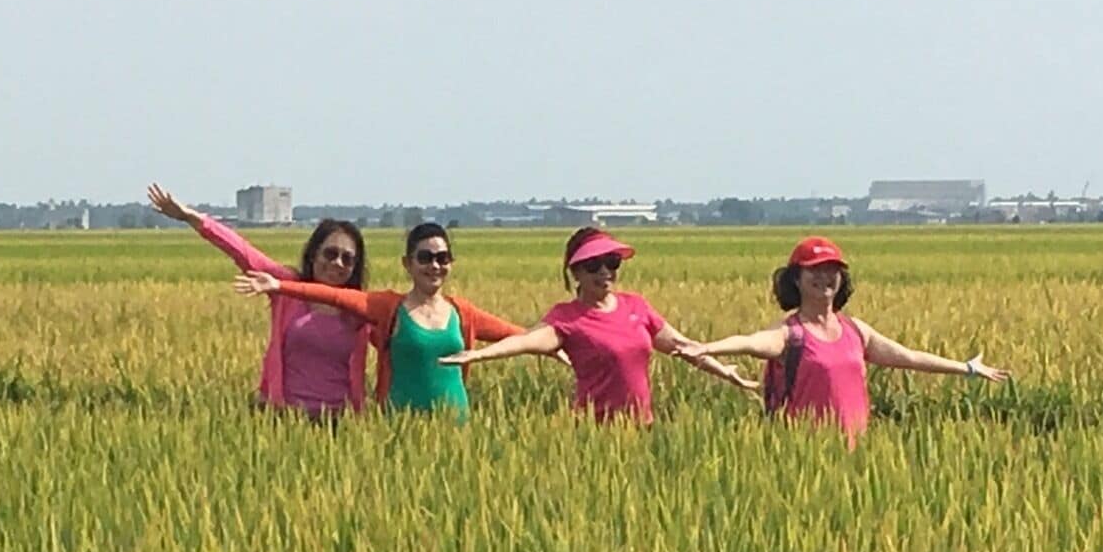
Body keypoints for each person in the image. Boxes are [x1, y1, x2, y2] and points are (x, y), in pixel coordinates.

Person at [669, 235, 1009, 439]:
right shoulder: (790, 334)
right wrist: (708, 348)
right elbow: (752, 341)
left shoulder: (855, 331)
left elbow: (908, 357)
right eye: (814, 270)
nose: (824, 277)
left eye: (832, 270)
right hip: (801, 455)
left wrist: (966, 368)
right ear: (796, 280)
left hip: (854, 450)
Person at [437, 227, 757, 421]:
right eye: (593, 265)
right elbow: (527, 341)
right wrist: (478, 355)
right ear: (575, 272)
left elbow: (684, 347)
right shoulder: (567, 318)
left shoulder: (637, 306)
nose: (604, 272)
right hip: (596, 433)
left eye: (611, 263)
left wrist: (727, 373)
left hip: (643, 428)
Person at [232, 222, 522, 417]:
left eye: (442, 258)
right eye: (424, 257)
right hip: (397, 425)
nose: (434, 265)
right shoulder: (384, 307)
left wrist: (554, 343)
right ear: (407, 264)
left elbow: (512, 334)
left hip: (455, 425)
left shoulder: (461, 312)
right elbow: (333, 296)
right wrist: (281, 286)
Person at [147, 184, 372, 417]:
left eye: (347, 259)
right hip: (281, 416)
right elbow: (243, 252)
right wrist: (192, 218)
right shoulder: (286, 287)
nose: (337, 263)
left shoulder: (361, 309)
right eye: (330, 253)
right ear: (314, 253)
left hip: (342, 422)